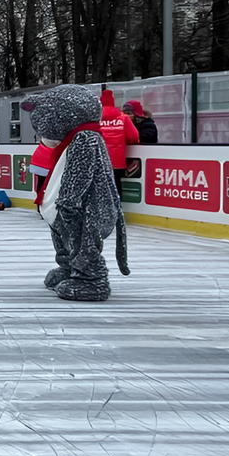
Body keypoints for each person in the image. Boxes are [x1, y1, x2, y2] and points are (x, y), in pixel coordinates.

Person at [30, 84, 127, 301]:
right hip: (70, 208)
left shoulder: (85, 139)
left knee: (84, 242)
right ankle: (68, 269)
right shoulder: (74, 139)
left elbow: (80, 173)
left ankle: (91, 279)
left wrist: (69, 201)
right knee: (63, 237)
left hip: (87, 209)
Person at [98, 88, 139, 196]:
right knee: (116, 188)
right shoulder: (123, 118)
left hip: (99, 161)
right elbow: (134, 137)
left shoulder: (96, 119)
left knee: (100, 190)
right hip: (117, 162)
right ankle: (116, 211)